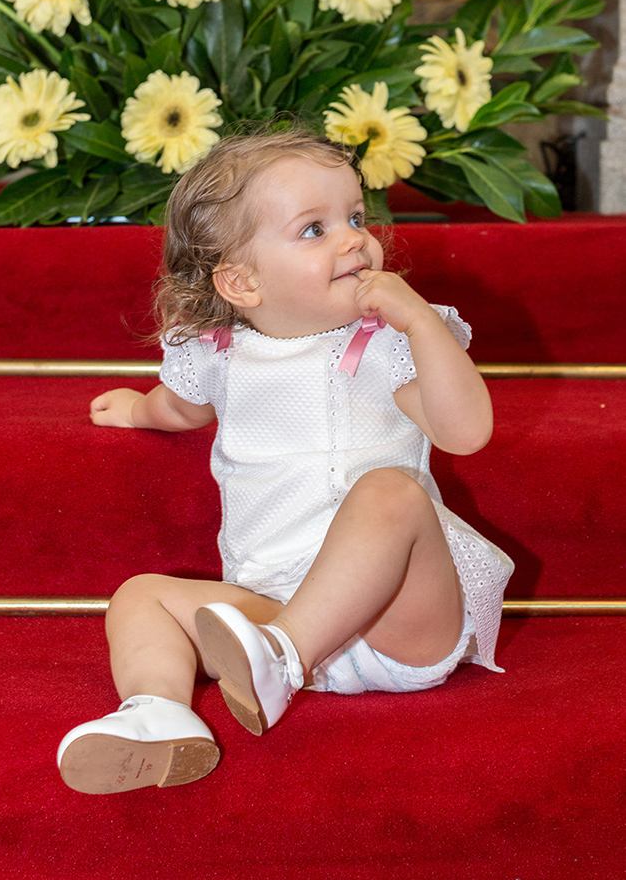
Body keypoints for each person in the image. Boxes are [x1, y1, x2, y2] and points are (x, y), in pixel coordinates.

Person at [57, 129, 514, 795]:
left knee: (392, 491)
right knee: (139, 597)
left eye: (355, 217)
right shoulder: (216, 353)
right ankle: (158, 712)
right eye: (314, 229)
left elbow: (465, 431)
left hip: (399, 621)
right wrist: (137, 411)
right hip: (270, 605)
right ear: (240, 281)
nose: (354, 238)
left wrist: (419, 325)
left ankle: (284, 657)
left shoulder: (386, 342)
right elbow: (180, 408)